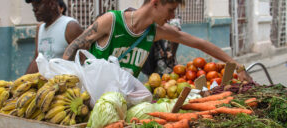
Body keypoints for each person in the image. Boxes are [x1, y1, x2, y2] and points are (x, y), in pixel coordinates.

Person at [62, 0, 252, 82]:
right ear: (155, 3)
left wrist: (237, 66)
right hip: (92, 98)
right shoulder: (111, 21)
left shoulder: (156, 32)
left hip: (119, 102)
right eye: (170, 9)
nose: (172, 16)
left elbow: (199, 43)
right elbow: (72, 49)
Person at [25, 0, 83, 74]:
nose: (34, 9)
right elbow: (37, 60)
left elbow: (84, 59)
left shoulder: (70, 26)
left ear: (52, 4)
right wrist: (21, 83)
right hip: (46, 83)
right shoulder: (40, 29)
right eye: (33, 5)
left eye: (38, 4)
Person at [139, 18, 181, 82]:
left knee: (158, 86)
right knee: (168, 85)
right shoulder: (173, 21)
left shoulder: (149, 22)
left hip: (157, 66)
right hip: (163, 65)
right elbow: (176, 34)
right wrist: (172, 53)